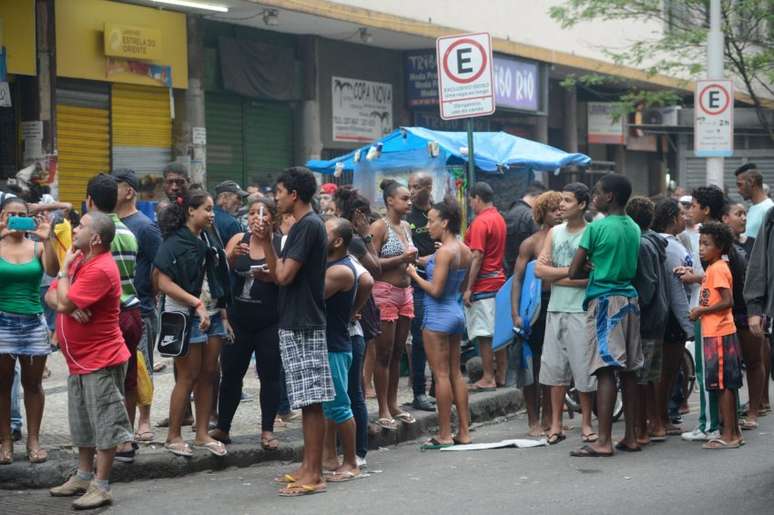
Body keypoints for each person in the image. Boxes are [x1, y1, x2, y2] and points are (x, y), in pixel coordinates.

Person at [46, 212, 132, 509]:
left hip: (101, 360)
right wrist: (67, 305)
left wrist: (63, 276)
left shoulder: (100, 268)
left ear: (95, 237)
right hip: (79, 361)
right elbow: (50, 298)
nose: (75, 229)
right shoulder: (82, 259)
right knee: (82, 423)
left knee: (106, 424)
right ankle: (83, 476)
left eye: (81, 226)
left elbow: (63, 298)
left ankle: (102, 485)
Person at [256, 167, 332, 496]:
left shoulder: (307, 226)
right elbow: (282, 274)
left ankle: (314, 473)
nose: (276, 197)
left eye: (280, 192)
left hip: (303, 322)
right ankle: (307, 466)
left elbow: (285, 275)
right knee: (305, 400)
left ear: (294, 195)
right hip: (296, 319)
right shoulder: (305, 225)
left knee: (312, 401)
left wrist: (264, 241)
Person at [568, 173, 642, 457]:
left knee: (605, 369)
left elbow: (574, 270)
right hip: (630, 300)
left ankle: (603, 440)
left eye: (597, 192)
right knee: (630, 370)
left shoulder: (596, 228)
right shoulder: (633, 227)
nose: (594, 197)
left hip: (604, 301)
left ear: (609, 196)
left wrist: (590, 265)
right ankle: (632, 436)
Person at [154, 190, 229, 458]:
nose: (212, 214)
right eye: (207, 209)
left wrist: (222, 313)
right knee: (187, 377)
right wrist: (195, 304)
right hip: (186, 318)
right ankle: (173, 436)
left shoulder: (209, 238)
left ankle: (201, 434)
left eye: (212, 209)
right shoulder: (174, 242)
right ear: (191, 211)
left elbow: (217, 277)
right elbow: (162, 282)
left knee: (209, 375)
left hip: (213, 314)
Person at [210, 197, 282, 450]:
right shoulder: (238, 239)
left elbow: (281, 277)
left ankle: (267, 430)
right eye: (251, 213)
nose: (256, 218)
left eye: (262, 214)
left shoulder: (280, 243)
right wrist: (230, 257)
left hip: (269, 322)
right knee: (230, 374)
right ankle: (223, 427)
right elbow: (220, 272)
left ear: (272, 218)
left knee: (270, 376)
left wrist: (268, 270)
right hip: (238, 319)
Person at [676, 185, 745, 441]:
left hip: (712, 321)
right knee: (722, 379)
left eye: (693, 205)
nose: (688, 210)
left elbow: (724, 292)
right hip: (711, 319)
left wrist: (695, 282)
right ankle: (726, 426)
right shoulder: (715, 241)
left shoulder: (715, 248)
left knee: (714, 378)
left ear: (705, 209)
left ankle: (712, 426)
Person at [85, 174, 143, 464]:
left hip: (105, 316)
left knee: (103, 382)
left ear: (90, 201)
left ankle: (105, 443)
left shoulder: (90, 235)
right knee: (128, 379)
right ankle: (126, 439)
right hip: (132, 313)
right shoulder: (129, 234)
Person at [407, 198, 473, 448]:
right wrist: (424, 260)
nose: (428, 225)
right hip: (455, 312)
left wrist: (414, 275)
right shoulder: (462, 249)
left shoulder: (445, 252)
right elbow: (462, 284)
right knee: (456, 373)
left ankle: (445, 434)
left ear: (444, 222)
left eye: (432, 221)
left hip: (437, 315)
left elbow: (434, 290)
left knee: (441, 374)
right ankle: (464, 431)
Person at [535, 183, 596, 445]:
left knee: (584, 369)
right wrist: (571, 272)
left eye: (567, 201)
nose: (561, 205)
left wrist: (559, 276)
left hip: (582, 310)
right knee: (554, 370)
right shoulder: (554, 233)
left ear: (582, 204)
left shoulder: (592, 232)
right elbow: (539, 270)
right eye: (561, 200)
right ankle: (556, 425)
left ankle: (586, 424)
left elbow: (593, 278)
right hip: (556, 308)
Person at [0, 197, 58, 464]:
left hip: (34, 323)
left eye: (22, 214)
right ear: (2, 217)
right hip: (2, 323)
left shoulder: (36, 246)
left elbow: (53, 270)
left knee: (33, 385)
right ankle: (6, 442)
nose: (16, 219)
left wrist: (47, 239)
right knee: (3, 385)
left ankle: (34, 440)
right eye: (11, 214)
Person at [112, 169, 162, 444]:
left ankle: (145, 419)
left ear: (129, 191)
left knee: (142, 365)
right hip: (115, 309)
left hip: (140, 308)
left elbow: (161, 265)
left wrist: (150, 293)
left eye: (115, 187)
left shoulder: (144, 226)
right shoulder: (108, 224)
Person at [511, 190, 562, 436]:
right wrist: (515, 314)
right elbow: (517, 280)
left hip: (560, 303)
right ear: (543, 214)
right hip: (535, 308)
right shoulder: (530, 243)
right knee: (531, 365)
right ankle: (533, 420)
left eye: (561, 208)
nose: (559, 213)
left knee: (553, 365)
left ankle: (551, 418)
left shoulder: (567, 238)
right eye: (554, 210)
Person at [689, 222, 743, 449]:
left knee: (723, 385)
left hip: (718, 332)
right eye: (700, 243)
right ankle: (733, 432)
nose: (701, 248)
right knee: (724, 385)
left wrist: (702, 311)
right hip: (717, 331)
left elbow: (727, 300)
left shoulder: (718, 268)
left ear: (719, 246)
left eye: (706, 244)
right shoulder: (713, 267)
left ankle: (729, 435)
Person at [369, 179, 418, 430]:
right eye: (404, 198)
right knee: (384, 353)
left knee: (399, 352)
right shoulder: (379, 227)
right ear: (390, 200)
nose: (409, 202)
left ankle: (394, 402)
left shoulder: (407, 226)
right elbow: (372, 263)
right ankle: (383, 408)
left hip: (405, 292)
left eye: (409, 198)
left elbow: (408, 261)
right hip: (385, 293)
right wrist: (402, 258)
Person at [625, 197, 669, 446]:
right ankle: (656, 424)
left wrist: (635, 308)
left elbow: (647, 284)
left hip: (647, 316)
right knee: (650, 375)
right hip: (658, 315)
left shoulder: (641, 244)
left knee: (641, 376)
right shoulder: (654, 240)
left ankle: (642, 428)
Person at [320, 217, 361, 481]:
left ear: (337, 241)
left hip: (335, 346)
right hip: (329, 344)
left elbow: (311, 295)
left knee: (339, 407)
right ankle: (329, 458)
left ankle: (351, 462)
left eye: (323, 233)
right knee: (327, 408)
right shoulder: (329, 264)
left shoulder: (341, 271)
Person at [651, 198, 694, 437]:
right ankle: (660, 418)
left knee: (667, 372)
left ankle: (661, 417)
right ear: (671, 218)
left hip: (670, 315)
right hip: (672, 317)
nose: (684, 217)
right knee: (665, 372)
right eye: (681, 213)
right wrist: (687, 323)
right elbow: (676, 289)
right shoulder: (671, 247)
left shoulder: (673, 244)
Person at [721, 201, 766, 430]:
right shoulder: (717, 246)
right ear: (725, 218)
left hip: (748, 311)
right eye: (738, 214)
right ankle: (730, 413)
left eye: (745, 214)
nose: (744, 218)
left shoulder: (751, 245)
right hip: (723, 312)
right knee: (728, 365)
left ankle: (754, 411)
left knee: (753, 360)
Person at [464, 182, 507, 391]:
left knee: (484, 334)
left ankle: (488, 377)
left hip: (484, 283)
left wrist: (469, 288)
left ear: (476, 198)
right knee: (497, 331)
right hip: (498, 280)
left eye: (470, 200)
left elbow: (477, 256)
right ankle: (501, 375)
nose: (470, 204)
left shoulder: (481, 222)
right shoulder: (498, 218)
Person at [407, 172, 437, 411]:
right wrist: (422, 262)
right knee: (419, 340)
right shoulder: (408, 217)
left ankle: (439, 389)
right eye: (409, 187)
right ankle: (419, 392)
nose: (412, 191)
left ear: (429, 187)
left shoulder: (438, 214)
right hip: (417, 284)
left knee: (441, 340)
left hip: (442, 283)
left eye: (416, 187)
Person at [504, 182, 546, 275]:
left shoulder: (509, 212)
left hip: (510, 270)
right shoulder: (531, 215)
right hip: (529, 271)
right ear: (538, 197)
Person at [735, 163, 773, 248]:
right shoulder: (752, 208)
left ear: (751, 182)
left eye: (740, 185)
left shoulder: (769, 209)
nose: (738, 190)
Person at [214, 180, 248, 244]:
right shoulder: (231, 223)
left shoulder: (205, 215)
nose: (241, 203)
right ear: (224, 198)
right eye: (238, 198)